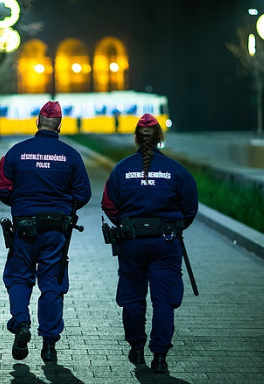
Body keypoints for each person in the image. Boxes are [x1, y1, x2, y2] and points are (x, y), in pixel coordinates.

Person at [0, 101, 92, 363]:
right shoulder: (71, 156)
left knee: (18, 277)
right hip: (56, 230)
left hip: (25, 227)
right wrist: (63, 206)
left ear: (37, 122)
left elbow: (1, 186)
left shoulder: (16, 152)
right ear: (60, 125)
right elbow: (83, 194)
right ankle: (49, 344)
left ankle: (21, 322)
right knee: (52, 283)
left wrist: (20, 202)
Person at [101, 113, 198, 374]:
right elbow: (189, 208)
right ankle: (160, 357)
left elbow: (109, 204)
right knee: (164, 300)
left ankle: (135, 347)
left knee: (132, 298)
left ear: (136, 137)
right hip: (166, 243)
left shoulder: (121, 169)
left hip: (132, 243)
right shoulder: (177, 170)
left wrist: (127, 223)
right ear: (159, 138)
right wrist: (173, 228)